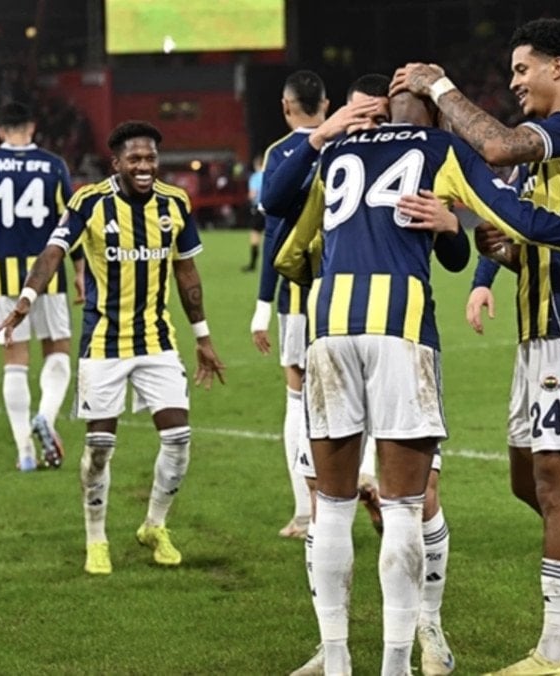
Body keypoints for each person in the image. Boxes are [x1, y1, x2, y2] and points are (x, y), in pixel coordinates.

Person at [392, 18, 560, 674]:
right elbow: (547, 235)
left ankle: (554, 654)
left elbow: (494, 147)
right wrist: (507, 251)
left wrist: (440, 87)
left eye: (522, 69)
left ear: (556, 68)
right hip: (539, 329)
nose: (514, 82)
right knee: (530, 483)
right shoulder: (552, 149)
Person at [267, 76, 454, 676]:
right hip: (401, 330)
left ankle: (361, 653)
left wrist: (323, 135)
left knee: (337, 506)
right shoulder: (432, 147)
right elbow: (459, 252)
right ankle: (390, 658)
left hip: (332, 328)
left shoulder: (339, 152)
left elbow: (280, 220)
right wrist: (453, 225)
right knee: (403, 505)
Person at [0, 120, 227, 575]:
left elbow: (186, 271)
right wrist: (26, 299)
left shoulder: (175, 203)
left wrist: (202, 336)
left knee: (179, 440)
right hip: (103, 343)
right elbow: (53, 252)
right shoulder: (89, 202)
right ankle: (96, 537)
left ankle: (154, 526)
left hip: (157, 341)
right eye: (135, 159)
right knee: (100, 447)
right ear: (116, 162)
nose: (144, 166)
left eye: (151, 158)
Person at [0, 102, 83, 472]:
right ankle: (45, 416)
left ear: (0, 130)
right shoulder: (54, 165)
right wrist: (80, 270)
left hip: (4, 275)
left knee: (14, 360)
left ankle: (25, 452)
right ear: (32, 127)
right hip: (48, 273)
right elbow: (70, 224)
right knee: (58, 350)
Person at [250, 70, 329, 540]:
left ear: (286, 106)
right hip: (345, 290)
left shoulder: (280, 153)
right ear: (327, 103)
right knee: (352, 392)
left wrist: (262, 305)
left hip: (296, 298)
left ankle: (304, 513)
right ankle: (362, 479)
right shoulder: (346, 142)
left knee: (297, 399)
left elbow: (275, 234)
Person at [242, 154, 265, 272]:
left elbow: (253, 194)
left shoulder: (255, 177)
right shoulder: (272, 175)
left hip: (259, 208)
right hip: (272, 209)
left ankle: (252, 264)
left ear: (256, 165)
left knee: (255, 234)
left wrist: (249, 199)